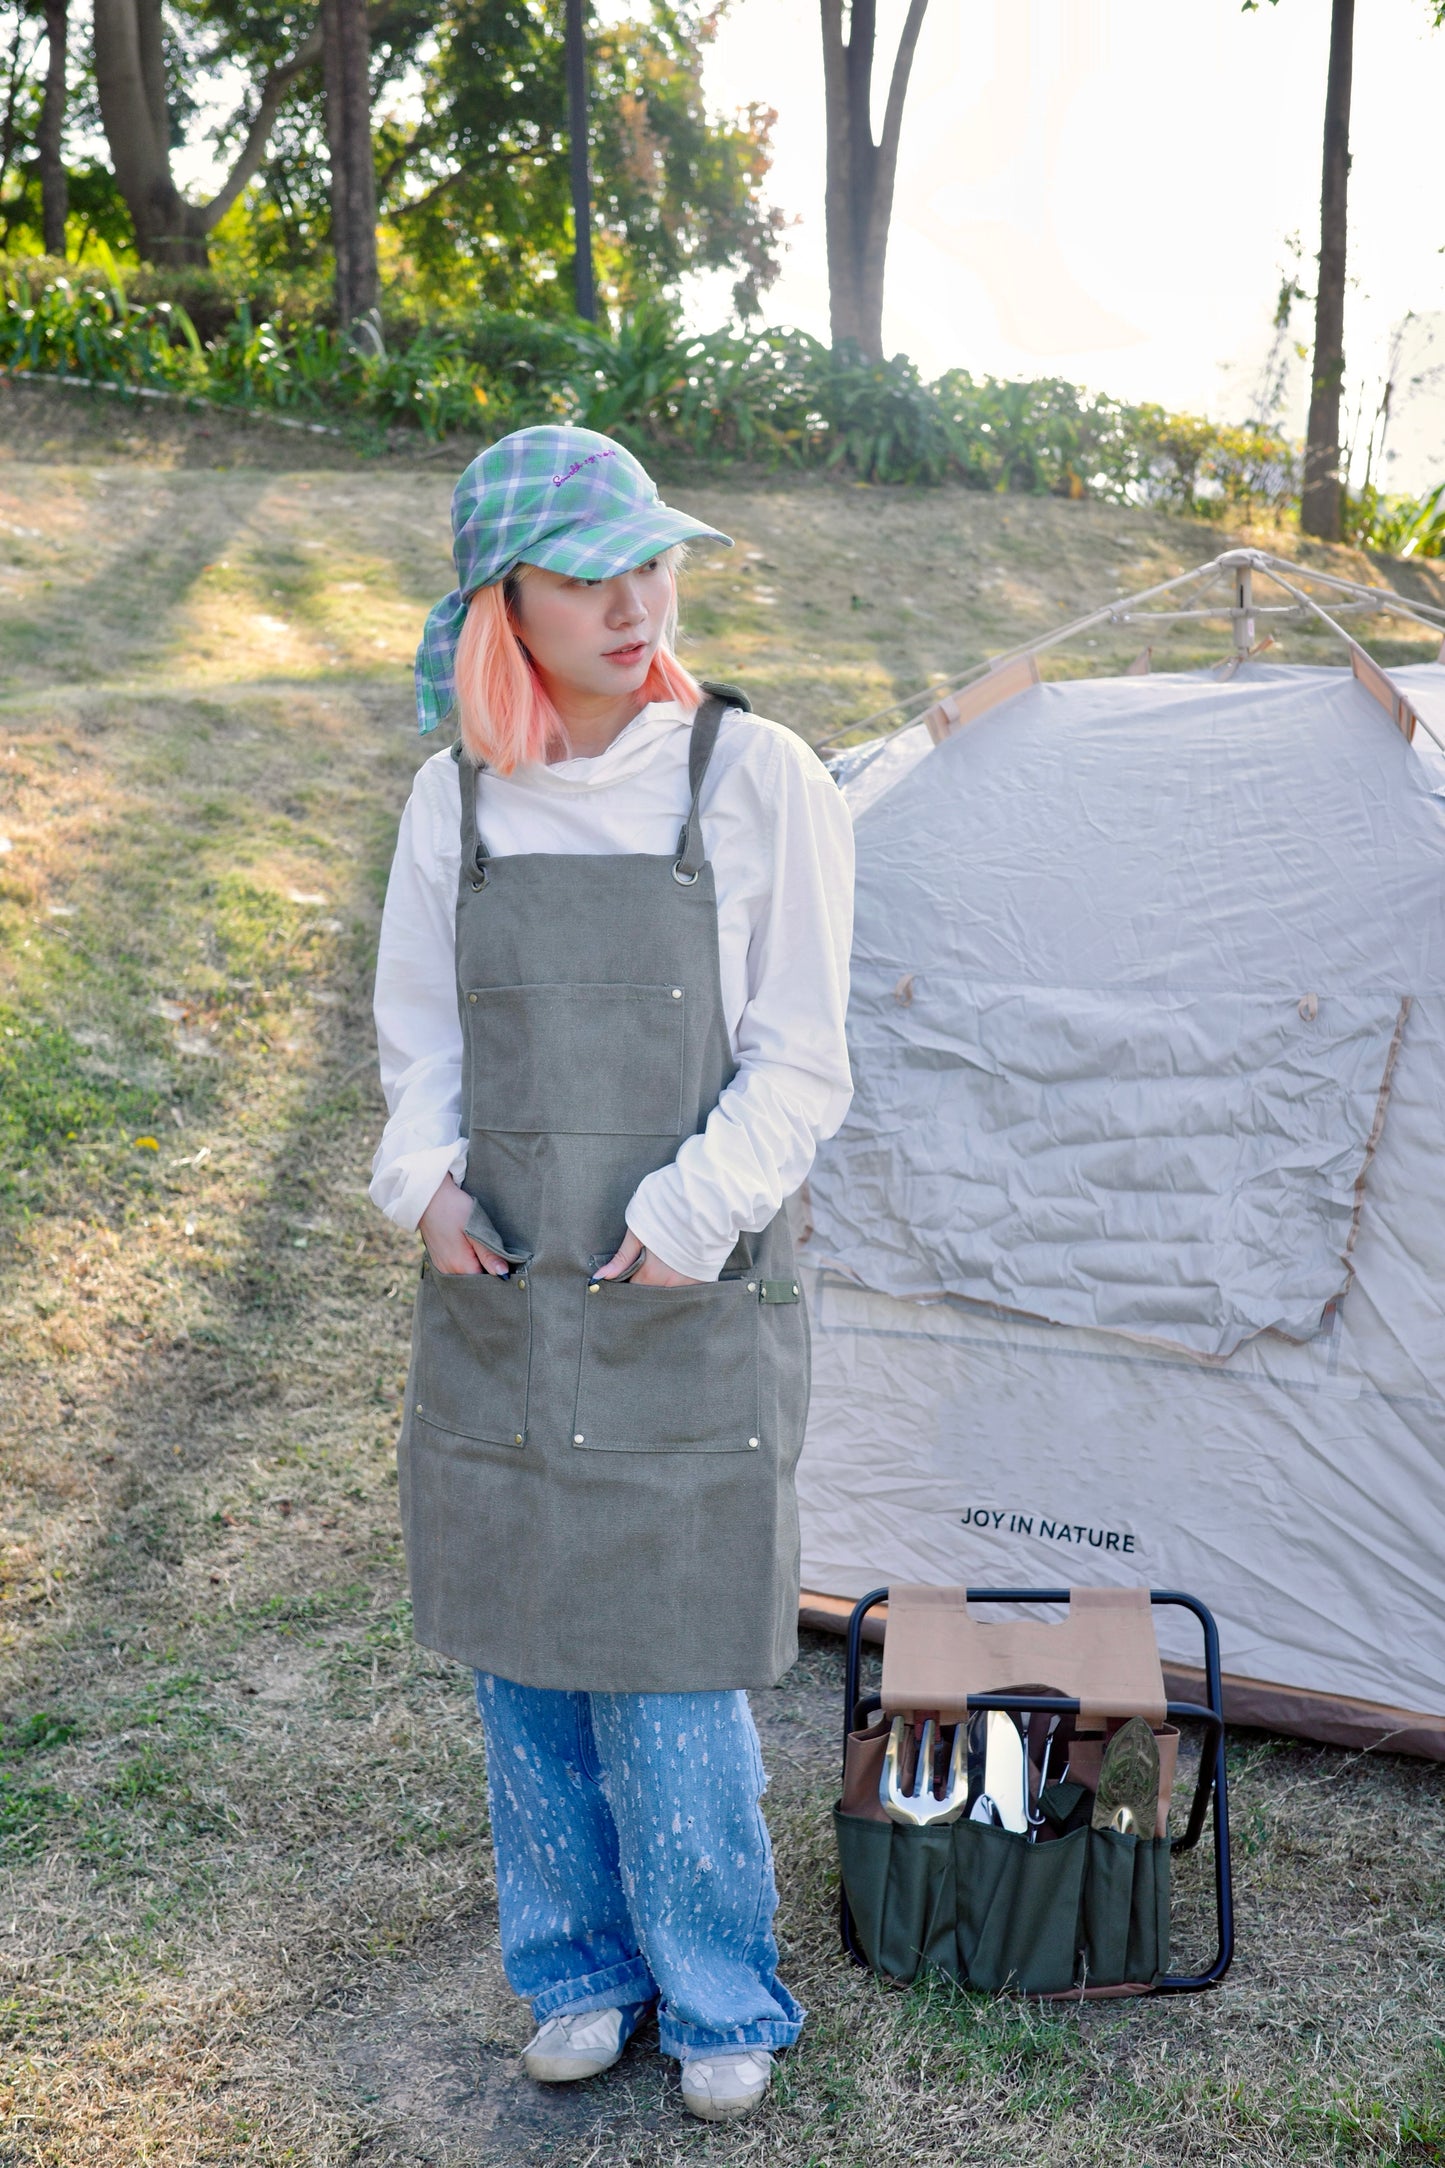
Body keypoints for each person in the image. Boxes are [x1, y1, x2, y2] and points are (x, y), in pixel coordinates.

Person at [369, 426, 854, 2124]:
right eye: (591, 573)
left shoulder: (754, 775)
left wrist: (694, 1211)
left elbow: (803, 1061)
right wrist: (421, 1183)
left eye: (655, 561)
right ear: (504, 599)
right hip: (504, 1284)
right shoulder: (456, 797)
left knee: (664, 1655)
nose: (637, 599)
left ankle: (723, 1992)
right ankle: (575, 1973)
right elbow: (417, 1044)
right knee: (523, 1648)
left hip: (679, 1284)